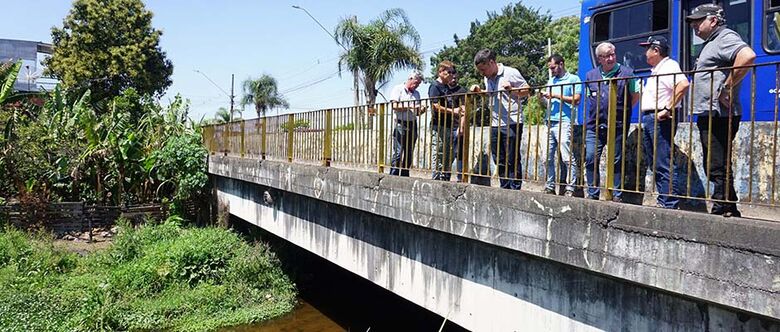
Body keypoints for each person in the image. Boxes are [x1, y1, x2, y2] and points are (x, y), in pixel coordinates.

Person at [687, 4, 756, 217]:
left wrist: (727, 87)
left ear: (713, 20)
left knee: (717, 163)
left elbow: (748, 56)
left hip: (719, 113)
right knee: (715, 162)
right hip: (709, 112)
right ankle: (729, 205)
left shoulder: (725, 37)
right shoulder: (711, 42)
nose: (694, 26)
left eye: (699, 21)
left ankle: (722, 207)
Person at [583, 42, 640, 202]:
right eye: (606, 56)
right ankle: (593, 194)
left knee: (616, 160)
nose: (611, 58)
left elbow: (635, 95)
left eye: (612, 54)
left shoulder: (627, 73)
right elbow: (589, 98)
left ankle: (616, 194)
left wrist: (622, 110)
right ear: (599, 58)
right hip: (594, 125)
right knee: (590, 158)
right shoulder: (591, 76)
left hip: (618, 125)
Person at [638, 35, 689, 209]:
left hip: (659, 118)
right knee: (655, 161)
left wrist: (667, 109)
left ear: (656, 50)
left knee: (662, 160)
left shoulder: (669, 66)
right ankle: (664, 199)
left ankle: (669, 202)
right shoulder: (659, 69)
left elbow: (683, 85)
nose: (645, 53)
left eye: (648, 49)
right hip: (651, 118)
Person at [469, 49, 530, 190]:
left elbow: (527, 90)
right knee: (499, 158)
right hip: (495, 123)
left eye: (483, 69)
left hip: (512, 121)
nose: (482, 73)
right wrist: (480, 92)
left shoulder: (511, 72)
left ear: (491, 62)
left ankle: (515, 188)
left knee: (512, 158)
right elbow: (491, 95)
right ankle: (504, 186)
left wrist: (512, 90)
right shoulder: (487, 78)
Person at [540, 54, 581, 197]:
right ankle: (550, 186)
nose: (551, 70)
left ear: (561, 64)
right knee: (546, 157)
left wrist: (556, 96)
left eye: (553, 67)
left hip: (564, 121)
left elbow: (576, 100)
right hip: (549, 121)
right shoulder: (551, 81)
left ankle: (570, 187)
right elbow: (547, 105)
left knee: (566, 157)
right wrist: (542, 99)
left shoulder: (573, 79)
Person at [428, 61, 465, 181]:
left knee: (448, 154)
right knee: (438, 152)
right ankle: (437, 177)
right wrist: (452, 111)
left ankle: (444, 176)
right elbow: (435, 106)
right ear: (440, 72)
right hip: (438, 125)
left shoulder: (446, 87)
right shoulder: (435, 86)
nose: (451, 75)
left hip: (449, 125)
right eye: (448, 72)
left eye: (452, 72)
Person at [389, 70, 426, 177]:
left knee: (409, 152)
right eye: (416, 83)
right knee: (398, 152)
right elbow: (394, 106)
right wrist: (409, 106)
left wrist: (422, 109)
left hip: (412, 124)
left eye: (418, 84)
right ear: (410, 79)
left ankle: (405, 175)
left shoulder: (417, 94)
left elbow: (417, 112)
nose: (417, 86)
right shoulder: (398, 89)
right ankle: (393, 175)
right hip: (400, 124)